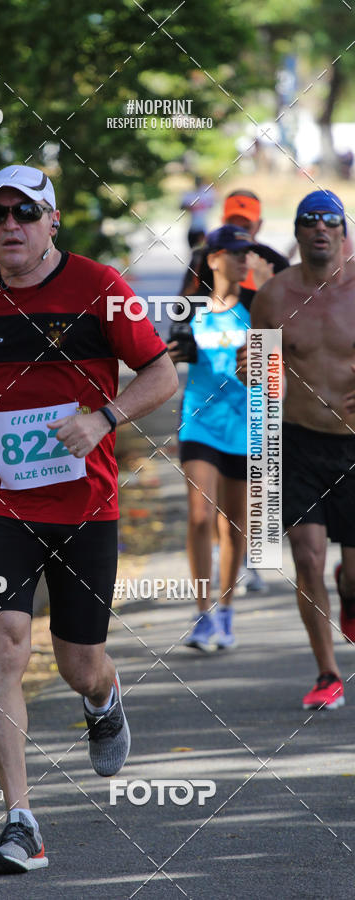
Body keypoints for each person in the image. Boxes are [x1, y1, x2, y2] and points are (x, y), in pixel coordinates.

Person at [0, 164, 178, 875]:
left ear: (51, 220)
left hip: (86, 504)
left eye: (24, 212)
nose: (9, 225)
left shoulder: (101, 287)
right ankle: (21, 823)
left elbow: (163, 374)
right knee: (3, 646)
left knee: (77, 663)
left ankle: (104, 696)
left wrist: (103, 417)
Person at [237, 189, 355, 710]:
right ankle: (327, 672)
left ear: (344, 231)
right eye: (310, 221)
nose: (321, 229)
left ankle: (348, 588)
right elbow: (262, 374)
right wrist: (251, 373)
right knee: (305, 558)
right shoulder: (274, 297)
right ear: (299, 232)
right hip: (299, 443)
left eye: (331, 220)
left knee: (353, 572)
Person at [169, 225, 257, 651]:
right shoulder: (191, 308)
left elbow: (278, 372)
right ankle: (202, 614)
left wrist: (258, 368)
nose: (245, 260)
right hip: (199, 420)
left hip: (244, 425)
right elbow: (165, 358)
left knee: (233, 524)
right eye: (237, 253)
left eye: (248, 254)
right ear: (215, 258)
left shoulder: (260, 306)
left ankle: (225, 612)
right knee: (201, 516)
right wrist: (168, 359)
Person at [179, 175, 217, 248]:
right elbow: (181, 206)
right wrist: (191, 207)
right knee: (193, 249)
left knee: (202, 249)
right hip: (193, 226)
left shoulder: (207, 192)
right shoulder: (189, 193)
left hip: (204, 227)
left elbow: (212, 204)